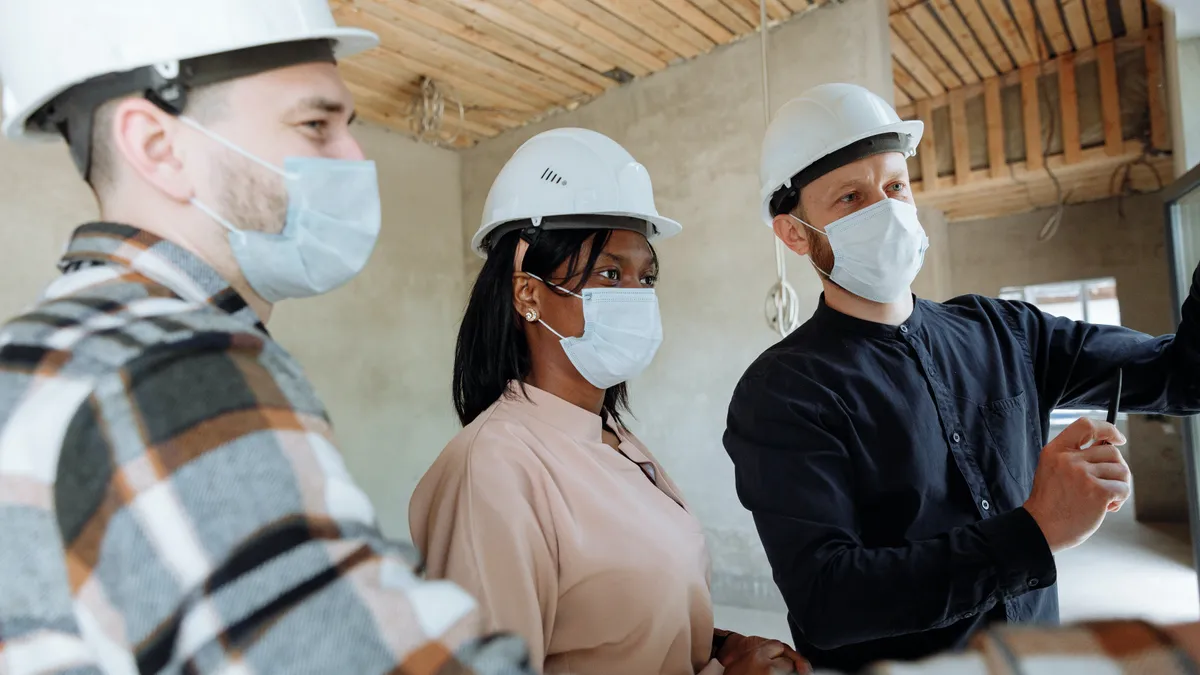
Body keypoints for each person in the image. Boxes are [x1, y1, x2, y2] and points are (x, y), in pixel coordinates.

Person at [0, 2, 531, 673]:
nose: (355, 157)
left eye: (349, 127)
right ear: (158, 147)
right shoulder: (168, 371)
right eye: (315, 125)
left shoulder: (57, 349)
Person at [724, 81, 1200, 672]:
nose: (887, 210)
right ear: (795, 233)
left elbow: (1185, 376)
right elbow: (830, 601)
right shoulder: (783, 391)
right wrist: (1036, 530)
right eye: (850, 197)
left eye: (895, 186)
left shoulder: (1004, 331)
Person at [410, 128, 810, 675]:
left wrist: (718, 645)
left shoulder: (612, 441)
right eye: (610, 274)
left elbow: (608, 623)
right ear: (528, 293)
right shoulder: (493, 469)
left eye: (645, 277)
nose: (637, 297)